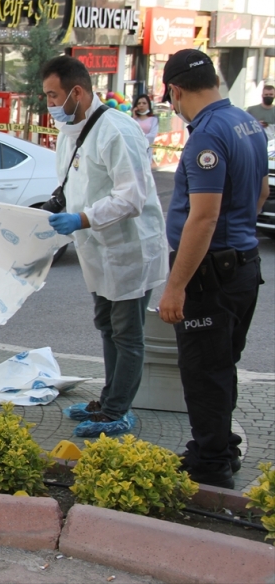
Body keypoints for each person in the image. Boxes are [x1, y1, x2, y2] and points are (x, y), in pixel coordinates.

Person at [156, 50, 268, 489]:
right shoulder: (247, 124)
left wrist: (176, 286)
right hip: (243, 266)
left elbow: (203, 217)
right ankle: (221, 445)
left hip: (210, 276)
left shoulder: (206, 136)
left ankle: (209, 466)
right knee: (223, 365)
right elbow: (259, 192)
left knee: (204, 371)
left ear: (176, 90)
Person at [41, 56, 168, 438]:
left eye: (53, 95)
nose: (49, 104)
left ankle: (118, 409)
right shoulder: (71, 134)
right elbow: (71, 187)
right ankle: (108, 400)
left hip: (128, 250)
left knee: (127, 332)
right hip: (98, 250)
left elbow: (132, 197)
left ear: (76, 92)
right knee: (106, 325)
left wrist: (81, 219)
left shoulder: (117, 131)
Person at [132, 94, 159, 159]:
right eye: (139, 103)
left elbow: (152, 135)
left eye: (144, 103)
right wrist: (134, 117)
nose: (141, 105)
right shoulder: (133, 119)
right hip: (134, 150)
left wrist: (139, 137)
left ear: (148, 105)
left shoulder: (154, 119)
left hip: (147, 150)